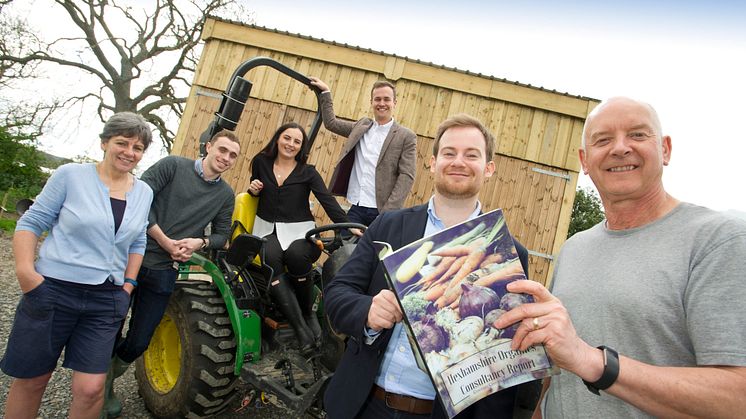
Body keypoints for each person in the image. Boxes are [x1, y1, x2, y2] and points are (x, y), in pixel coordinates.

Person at [494, 97, 746, 418]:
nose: (620, 148)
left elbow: (738, 398)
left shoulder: (717, 239)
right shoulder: (575, 247)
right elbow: (557, 374)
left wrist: (595, 363)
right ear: (585, 161)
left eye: (638, 135)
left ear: (665, 149)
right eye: (603, 140)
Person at [324, 114, 531, 418]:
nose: (458, 161)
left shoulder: (510, 254)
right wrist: (367, 311)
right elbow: (337, 292)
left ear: (488, 169)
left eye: (471, 154)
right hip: (363, 404)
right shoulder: (387, 225)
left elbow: (502, 373)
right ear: (433, 163)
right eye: (449, 153)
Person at [1, 112, 154, 419]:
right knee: (33, 380)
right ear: (104, 143)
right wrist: (26, 273)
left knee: (91, 388)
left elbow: (138, 241)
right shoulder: (70, 176)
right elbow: (31, 222)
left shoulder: (143, 192)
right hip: (52, 291)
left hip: (105, 299)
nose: (129, 152)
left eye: (137, 148)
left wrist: (127, 286)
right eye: (122, 143)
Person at [105, 129, 240, 417]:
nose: (225, 158)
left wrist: (198, 243)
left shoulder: (225, 194)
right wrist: (164, 240)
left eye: (232, 155)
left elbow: (222, 235)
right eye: (222, 150)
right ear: (208, 147)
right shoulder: (172, 166)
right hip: (129, 257)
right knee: (109, 324)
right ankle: (102, 389)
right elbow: (138, 201)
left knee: (142, 338)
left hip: (165, 269)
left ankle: (112, 370)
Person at [248, 122, 351, 354]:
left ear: (301, 147)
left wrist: (348, 227)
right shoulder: (261, 162)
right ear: (277, 138)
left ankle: (308, 312)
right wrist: (252, 190)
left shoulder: (308, 172)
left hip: (299, 230)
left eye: (297, 141)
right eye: (287, 138)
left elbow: (327, 200)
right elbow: (254, 190)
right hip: (267, 228)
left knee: (297, 255)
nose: (291, 144)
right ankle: (301, 330)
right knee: (270, 256)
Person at [309, 76, 417, 226]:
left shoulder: (406, 136)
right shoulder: (361, 127)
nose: (382, 103)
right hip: (356, 208)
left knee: (375, 250)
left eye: (386, 99)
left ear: (394, 103)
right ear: (371, 102)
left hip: (382, 212)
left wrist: (388, 213)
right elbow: (331, 123)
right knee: (346, 248)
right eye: (377, 99)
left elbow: (407, 176)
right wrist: (325, 92)